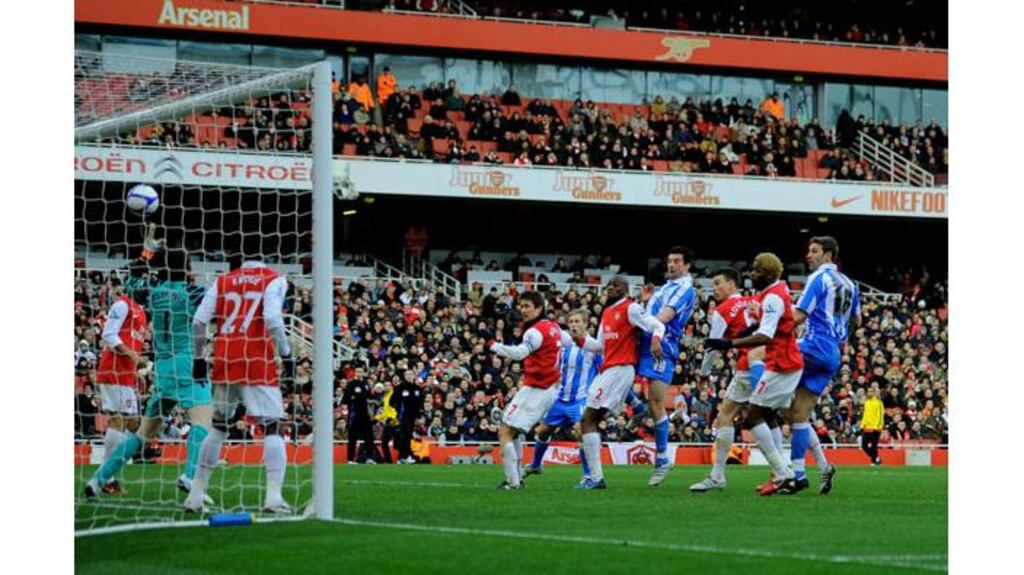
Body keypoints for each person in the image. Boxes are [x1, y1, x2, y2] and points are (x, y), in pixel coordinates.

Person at [85, 247, 214, 503]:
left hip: (163, 368)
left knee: (143, 432)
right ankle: (190, 476)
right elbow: (214, 304)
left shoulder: (151, 291)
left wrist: (143, 259)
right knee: (203, 423)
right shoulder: (191, 292)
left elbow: (131, 279)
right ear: (185, 269)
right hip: (188, 364)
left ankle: (98, 480)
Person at [184, 233, 294, 514]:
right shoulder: (274, 278)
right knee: (272, 425)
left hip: (224, 357)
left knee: (219, 426)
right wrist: (286, 353)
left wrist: (199, 359)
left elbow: (198, 322)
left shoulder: (223, 280)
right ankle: (273, 497)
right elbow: (271, 317)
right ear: (268, 252)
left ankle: (195, 495)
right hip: (256, 359)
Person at [705, 253, 801, 496]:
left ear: (767, 272)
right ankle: (785, 471)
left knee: (754, 417)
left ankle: (784, 472)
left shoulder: (772, 298)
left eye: (756, 270)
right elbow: (760, 327)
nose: (751, 274)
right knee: (766, 416)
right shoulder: (774, 291)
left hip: (780, 363)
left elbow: (766, 335)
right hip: (775, 363)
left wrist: (730, 343)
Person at [577, 276, 666, 490]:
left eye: (616, 286)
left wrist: (655, 340)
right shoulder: (606, 313)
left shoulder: (631, 308)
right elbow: (599, 345)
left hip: (621, 368)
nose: (610, 289)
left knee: (588, 418)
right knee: (591, 419)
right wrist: (579, 338)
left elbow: (657, 325)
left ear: (626, 290)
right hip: (608, 368)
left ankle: (596, 478)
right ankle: (637, 408)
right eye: (609, 286)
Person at [788, 236, 860, 494]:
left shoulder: (818, 278)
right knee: (799, 416)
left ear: (827, 255)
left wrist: (769, 331)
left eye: (814, 251)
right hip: (832, 354)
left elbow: (798, 315)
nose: (809, 255)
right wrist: (840, 336)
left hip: (812, 346)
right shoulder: (851, 284)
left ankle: (787, 471)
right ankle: (814, 468)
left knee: (760, 361)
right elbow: (857, 320)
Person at [690, 267, 760, 492]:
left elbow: (712, 345)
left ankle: (718, 475)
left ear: (732, 285)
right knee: (772, 418)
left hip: (747, 365)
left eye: (719, 283)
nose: (715, 288)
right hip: (768, 362)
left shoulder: (724, 309)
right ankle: (791, 469)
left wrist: (704, 373)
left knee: (725, 417)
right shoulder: (752, 301)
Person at [489, 291, 566, 489]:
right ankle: (516, 479)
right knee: (512, 431)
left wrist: (495, 346)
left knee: (505, 432)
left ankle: (513, 482)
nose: (522, 310)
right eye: (521, 306)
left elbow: (520, 353)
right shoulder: (553, 327)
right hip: (546, 388)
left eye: (527, 306)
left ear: (539, 308)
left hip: (537, 388)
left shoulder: (534, 332)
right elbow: (568, 342)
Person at [85, 261, 149, 497]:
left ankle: (104, 476)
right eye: (143, 280)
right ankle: (105, 476)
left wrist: (135, 371)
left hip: (125, 373)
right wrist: (132, 355)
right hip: (113, 369)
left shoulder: (141, 311)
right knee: (123, 421)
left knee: (128, 422)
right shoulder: (123, 305)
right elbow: (108, 334)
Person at [637, 247, 697, 487]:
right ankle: (635, 407)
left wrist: (645, 322)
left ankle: (662, 460)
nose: (671, 265)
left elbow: (666, 316)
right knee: (643, 396)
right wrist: (644, 303)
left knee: (657, 402)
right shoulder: (663, 288)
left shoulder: (686, 289)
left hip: (662, 346)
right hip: (645, 342)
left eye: (676, 261)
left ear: (687, 266)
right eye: (669, 261)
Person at [523, 309, 599, 481]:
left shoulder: (593, 346)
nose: (573, 325)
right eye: (570, 322)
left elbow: (603, 371)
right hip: (558, 398)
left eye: (577, 321)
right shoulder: (562, 344)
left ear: (586, 324)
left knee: (581, 433)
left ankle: (589, 475)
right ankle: (536, 465)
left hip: (580, 399)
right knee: (542, 431)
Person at [391, 369, 425, 463]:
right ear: (404, 376)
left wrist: (420, 415)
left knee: (408, 436)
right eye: (407, 374)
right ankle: (405, 456)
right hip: (403, 416)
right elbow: (392, 402)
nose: (409, 376)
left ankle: (402, 457)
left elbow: (420, 404)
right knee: (405, 435)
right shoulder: (400, 388)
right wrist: (398, 409)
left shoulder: (417, 389)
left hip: (413, 417)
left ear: (414, 376)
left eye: (411, 374)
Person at [342, 368, 375, 463]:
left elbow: (369, 397)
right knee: (352, 437)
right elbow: (346, 398)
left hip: (365, 414)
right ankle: (350, 459)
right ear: (355, 373)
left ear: (363, 373)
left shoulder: (366, 384)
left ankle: (369, 457)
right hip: (355, 414)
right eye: (357, 372)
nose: (359, 373)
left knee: (369, 436)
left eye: (361, 371)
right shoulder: (351, 384)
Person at [860, 382, 884, 465]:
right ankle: (876, 457)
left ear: (874, 393)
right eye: (868, 392)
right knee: (864, 446)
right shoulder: (866, 402)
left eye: (871, 392)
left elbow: (880, 415)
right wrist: (862, 425)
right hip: (867, 427)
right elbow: (865, 415)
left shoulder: (878, 403)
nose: (869, 393)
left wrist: (877, 426)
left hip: (876, 427)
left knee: (874, 445)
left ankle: (874, 461)